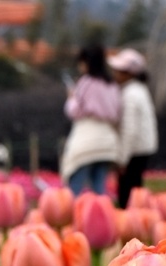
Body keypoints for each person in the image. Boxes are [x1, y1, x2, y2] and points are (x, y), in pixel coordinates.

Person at [60, 44, 121, 196]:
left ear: (87, 62)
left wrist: (71, 97)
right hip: (107, 143)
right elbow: (117, 112)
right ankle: (102, 217)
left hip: (87, 143)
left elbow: (74, 110)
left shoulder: (86, 83)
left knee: (75, 185)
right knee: (99, 186)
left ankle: (72, 217)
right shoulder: (112, 84)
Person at [107, 48, 158, 209]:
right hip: (142, 148)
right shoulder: (139, 90)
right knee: (136, 190)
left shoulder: (130, 95)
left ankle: (131, 225)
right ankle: (138, 223)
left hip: (134, 151)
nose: (115, 74)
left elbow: (129, 129)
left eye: (119, 71)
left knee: (127, 193)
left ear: (129, 73)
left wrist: (122, 159)